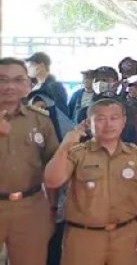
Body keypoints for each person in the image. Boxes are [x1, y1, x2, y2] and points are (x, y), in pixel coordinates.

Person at [44, 98, 137, 265]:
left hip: (126, 235)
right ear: (89, 123)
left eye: (114, 118)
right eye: (100, 119)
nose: (108, 124)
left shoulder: (136, 155)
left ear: (123, 121)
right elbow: (52, 181)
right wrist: (65, 146)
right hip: (84, 237)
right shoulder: (76, 153)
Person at [0, 58, 60, 265]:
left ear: (28, 85)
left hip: (31, 207)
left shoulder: (40, 120)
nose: (9, 86)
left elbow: (53, 167)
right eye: (2, 79)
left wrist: (52, 208)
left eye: (18, 80)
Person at [25, 53, 68, 118]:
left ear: (41, 65)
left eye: (32, 64)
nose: (29, 67)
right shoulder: (34, 86)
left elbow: (61, 112)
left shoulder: (54, 86)